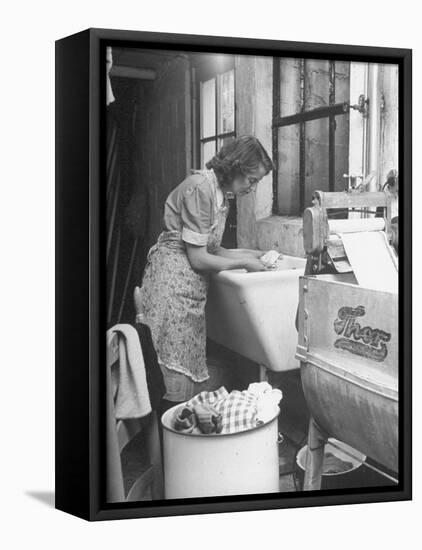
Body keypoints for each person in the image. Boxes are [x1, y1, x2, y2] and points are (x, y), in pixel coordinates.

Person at [134, 135, 274, 409]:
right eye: (251, 180)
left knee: (183, 359)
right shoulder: (200, 188)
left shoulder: (220, 195)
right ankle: (169, 437)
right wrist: (244, 264)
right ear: (235, 167)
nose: (252, 188)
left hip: (189, 288)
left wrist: (252, 255)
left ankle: (178, 434)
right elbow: (199, 259)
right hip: (171, 286)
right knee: (169, 363)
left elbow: (213, 248)